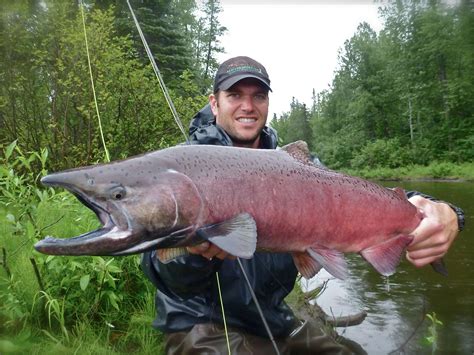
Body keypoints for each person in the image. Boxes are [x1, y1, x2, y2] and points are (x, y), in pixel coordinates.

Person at [141, 56, 465, 354]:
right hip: (200, 325)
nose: (248, 106)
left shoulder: (298, 168)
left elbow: (361, 194)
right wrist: (196, 255)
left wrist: (445, 212)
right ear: (214, 103)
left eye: (258, 96)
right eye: (235, 95)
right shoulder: (182, 167)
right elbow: (160, 272)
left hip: (273, 320)